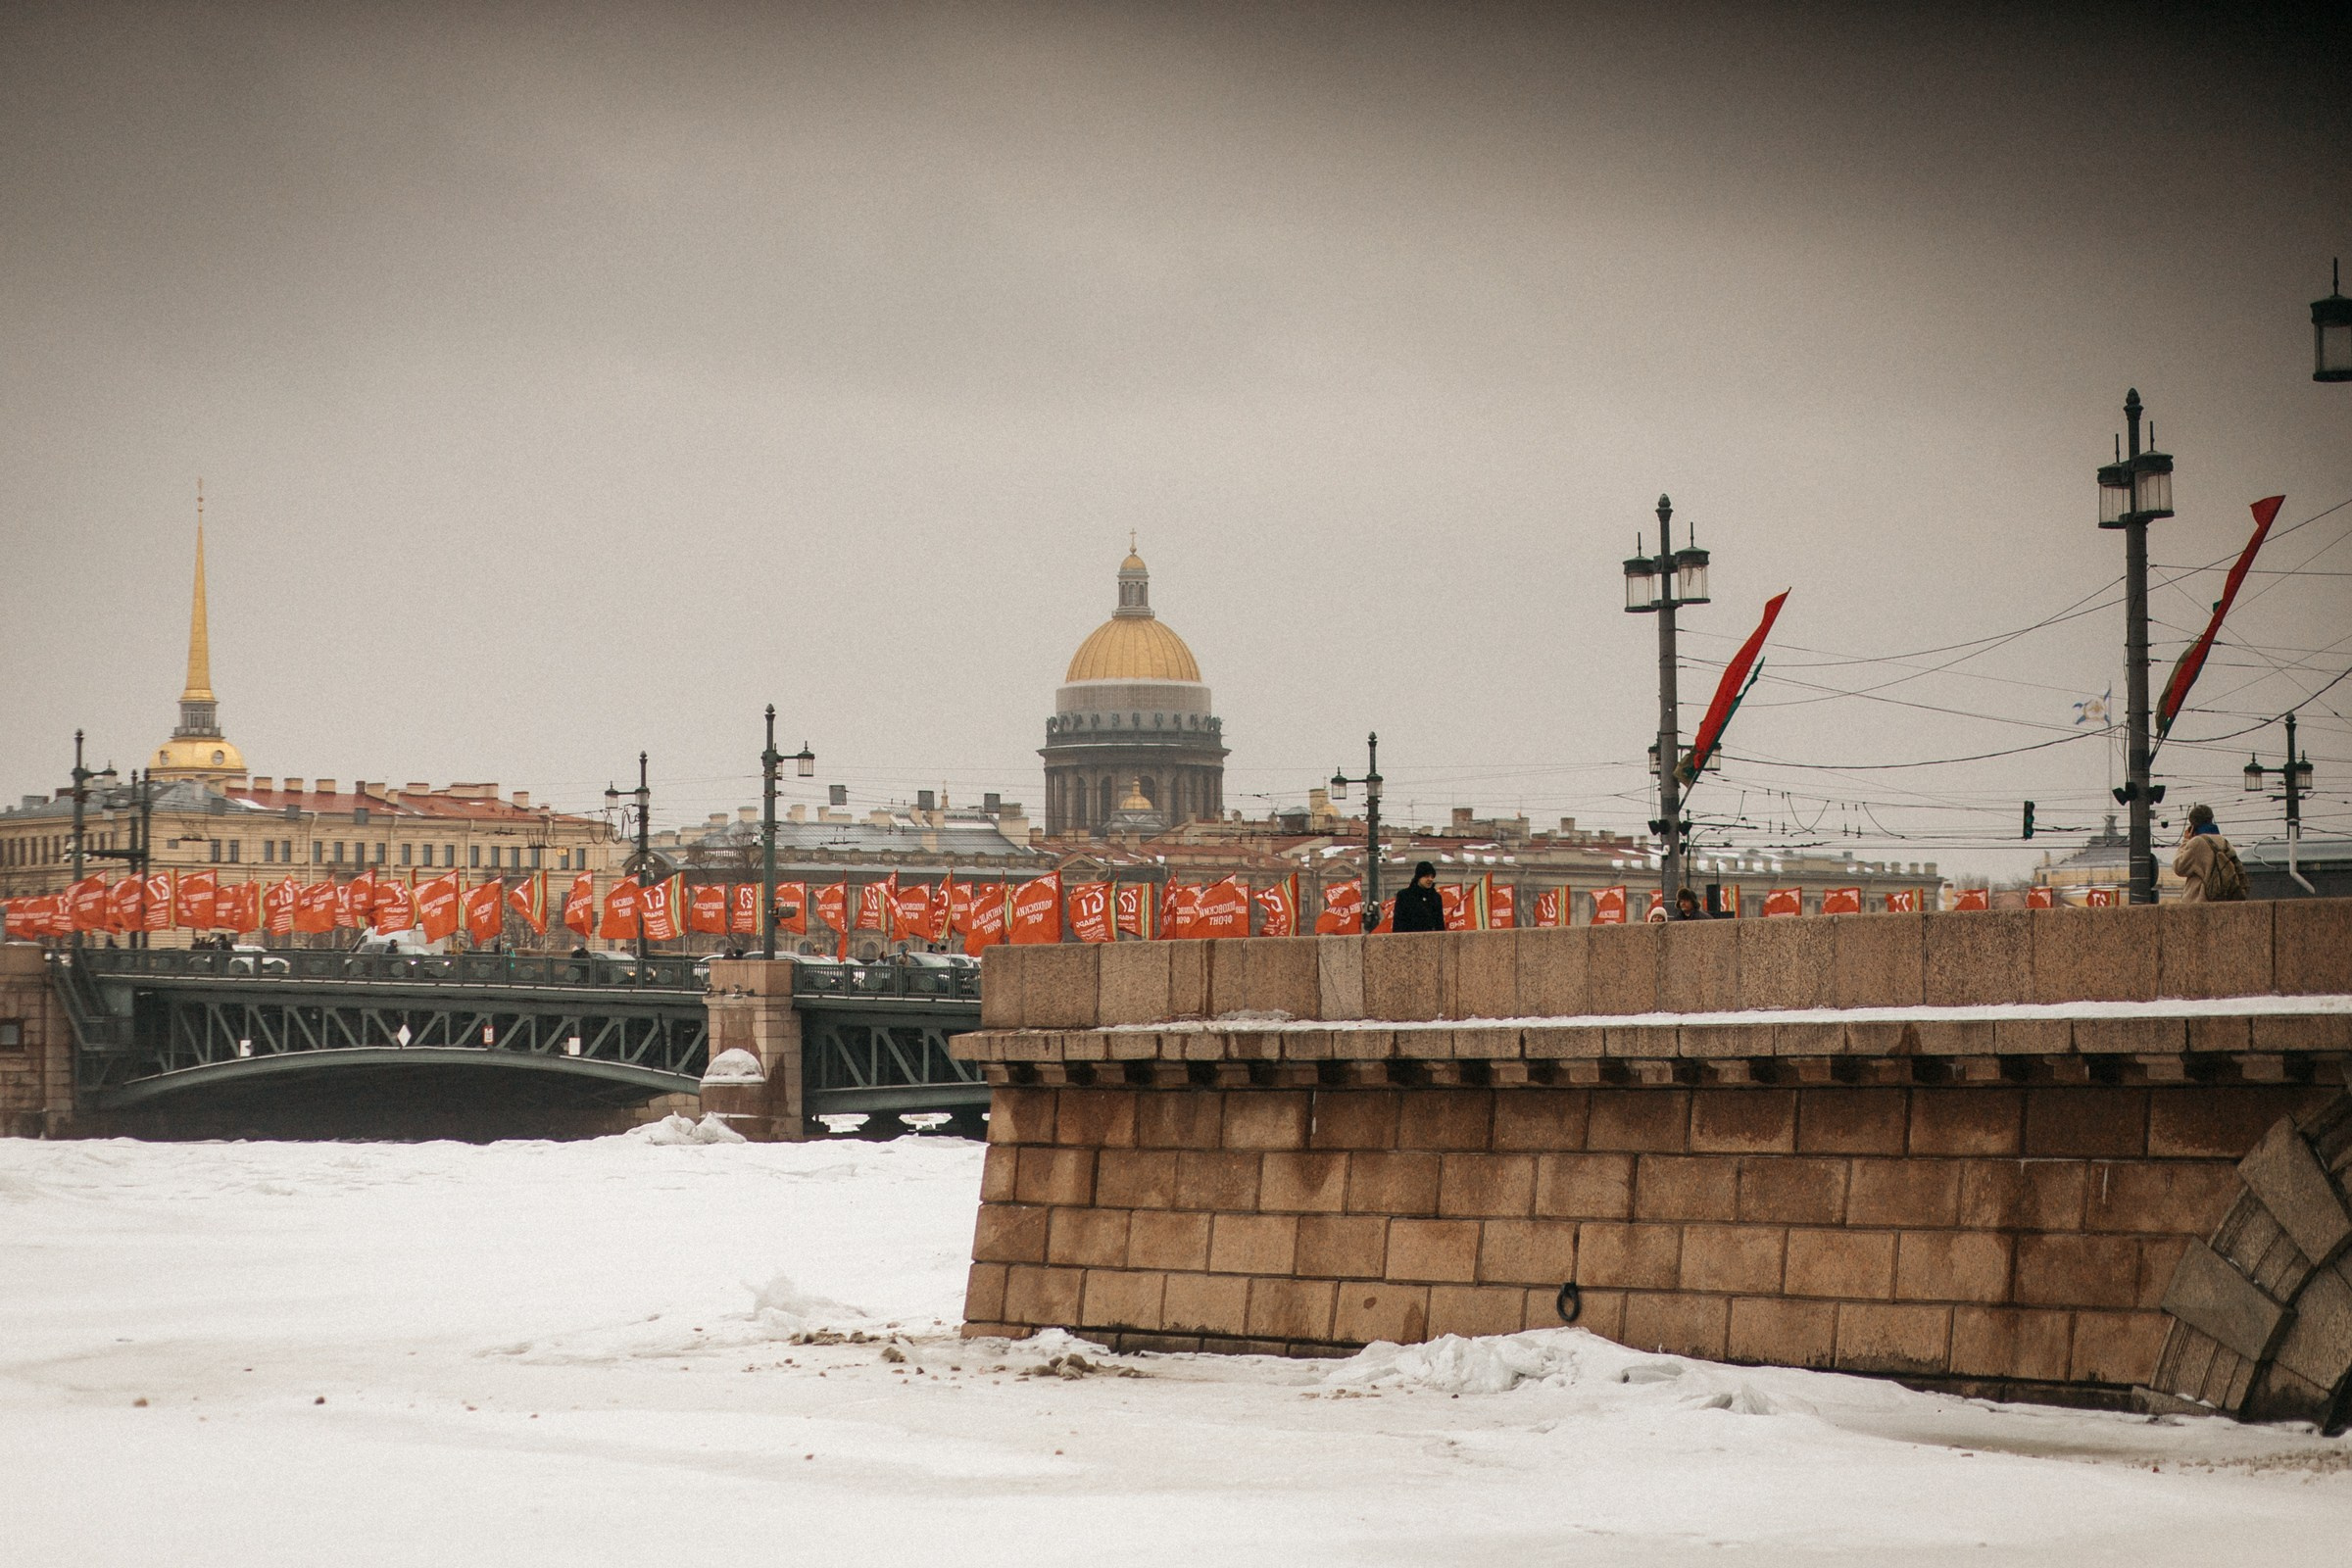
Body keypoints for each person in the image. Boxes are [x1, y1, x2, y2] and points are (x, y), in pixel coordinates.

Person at [2172, 805, 2246, 902]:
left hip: (2200, 900)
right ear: (2211, 820)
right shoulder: (2224, 842)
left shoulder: (2197, 842)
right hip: (2222, 900)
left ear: (2193, 825)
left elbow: (2178, 867)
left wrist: (2185, 840)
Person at [1391, 861, 1445, 932]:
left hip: (1430, 940)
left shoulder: (1436, 897)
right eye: (1426, 876)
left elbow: (1439, 924)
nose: (1430, 879)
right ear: (1418, 877)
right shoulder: (1404, 896)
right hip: (1409, 939)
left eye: (1432, 876)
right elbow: (1398, 923)